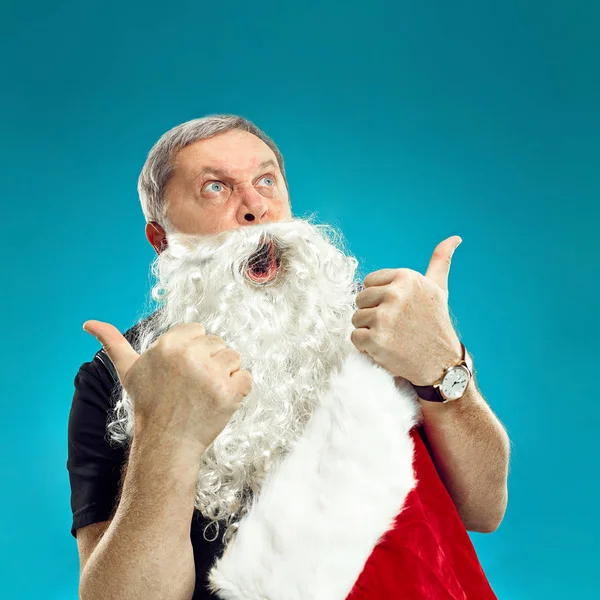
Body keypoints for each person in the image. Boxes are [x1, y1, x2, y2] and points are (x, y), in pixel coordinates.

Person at [67, 115, 510, 600]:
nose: (255, 206)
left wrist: (443, 366)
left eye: (265, 180)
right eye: (215, 187)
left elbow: (484, 510)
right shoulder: (119, 379)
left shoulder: (385, 324)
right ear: (161, 238)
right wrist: (166, 439)